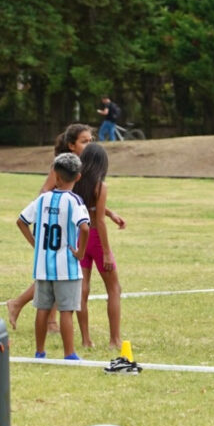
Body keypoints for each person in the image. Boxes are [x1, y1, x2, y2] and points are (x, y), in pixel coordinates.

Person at [5, 124, 125, 329]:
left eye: (91, 141)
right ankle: (36, 313)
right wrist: (50, 213)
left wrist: (109, 212)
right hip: (54, 223)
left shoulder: (82, 170)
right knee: (56, 273)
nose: (89, 145)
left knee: (60, 272)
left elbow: (82, 200)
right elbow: (47, 191)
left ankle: (40, 315)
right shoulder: (63, 166)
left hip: (71, 226)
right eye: (84, 141)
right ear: (72, 145)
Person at [16, 153, 90, 360]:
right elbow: (84, 228)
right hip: (66, 267)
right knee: (66, 311)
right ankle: (69, 353)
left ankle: (40, 351)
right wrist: (81, 252)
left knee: (42, 309)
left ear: (55, 176)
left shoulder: (43, 199)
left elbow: (21, 221)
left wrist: (35, 243)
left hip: (43, 266)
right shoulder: (75, 201)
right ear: (78, 177)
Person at [74, 142, 123, 349]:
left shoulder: (76, 182)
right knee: (114, 289)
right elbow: (99, 220)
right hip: (95, 238)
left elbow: (91, 207)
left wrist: (111, 213)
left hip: (79, 237)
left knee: (82, 290)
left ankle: (86, 340)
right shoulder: (100, 186)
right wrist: (106, 253)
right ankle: (114, 340)